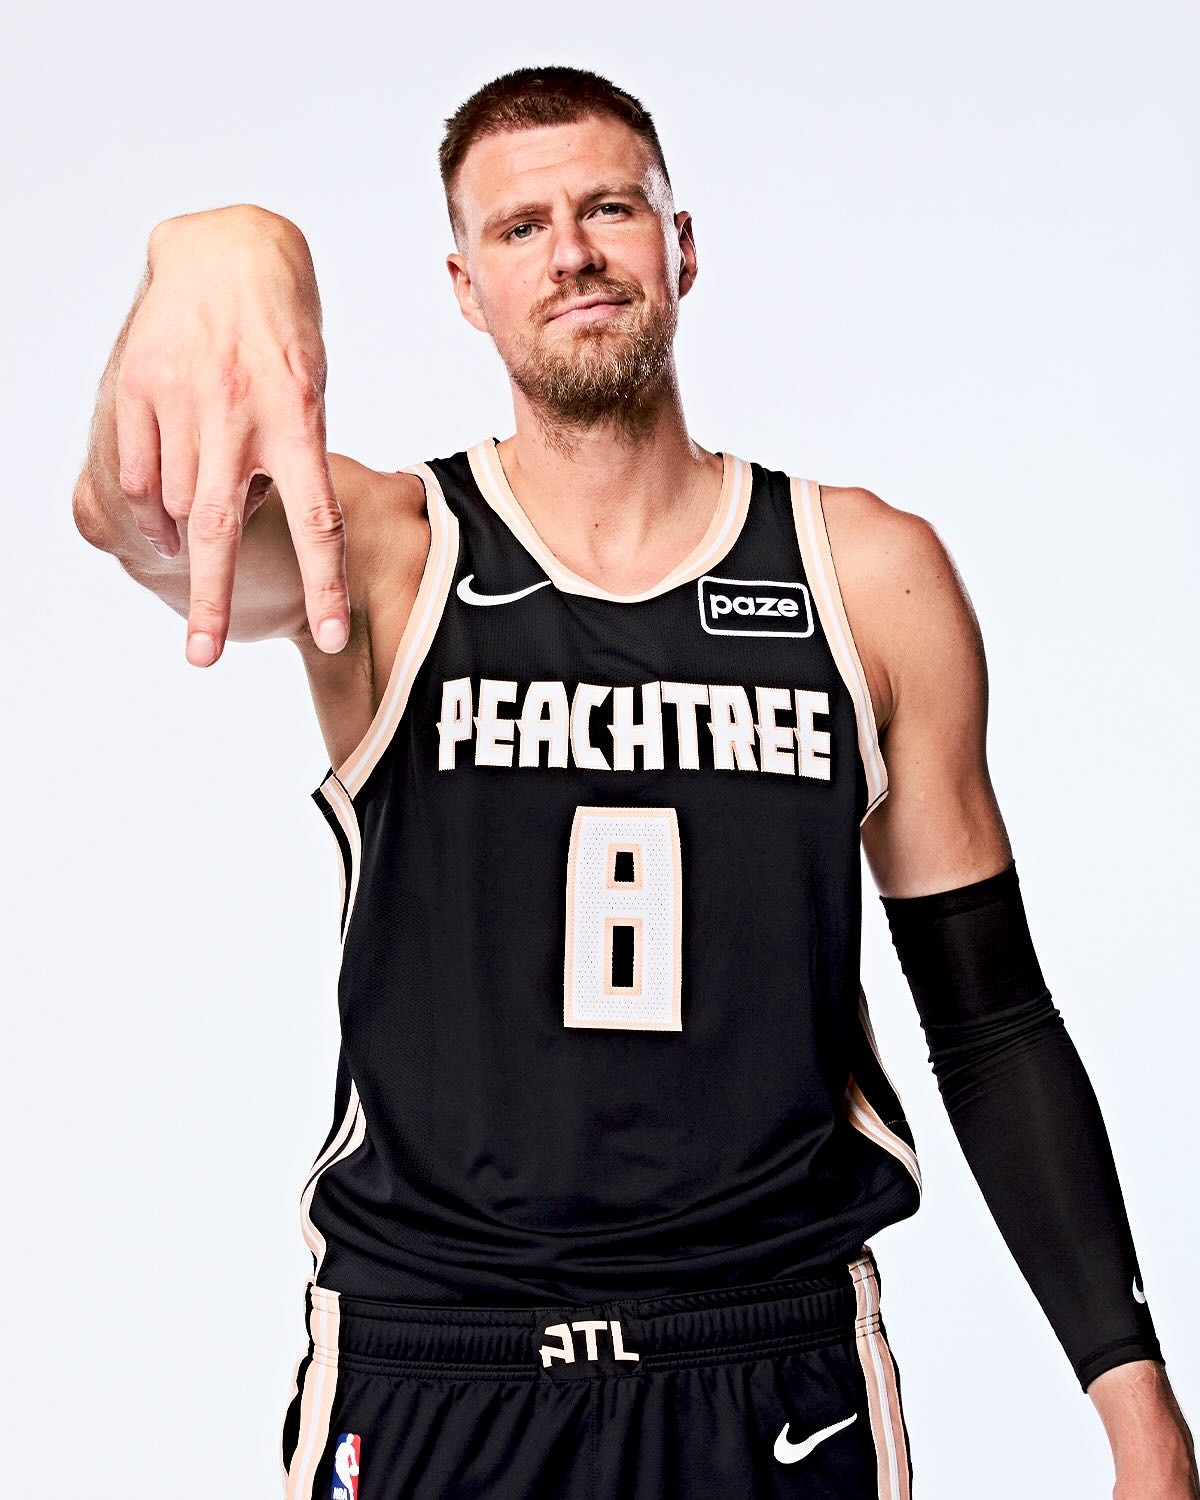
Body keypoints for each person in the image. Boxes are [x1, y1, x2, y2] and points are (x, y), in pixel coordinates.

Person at [72, 63, 1197, 1500]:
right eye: (520, 227)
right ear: (466, 287)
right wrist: (218, 248)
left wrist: (1137, 1403)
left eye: (610, 208)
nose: (574, 252)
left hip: (767, 1361)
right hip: (436, 1359)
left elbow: (990, 1018)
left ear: (681, 244)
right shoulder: (396, 552)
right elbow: (135, 517)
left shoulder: (861, 575)